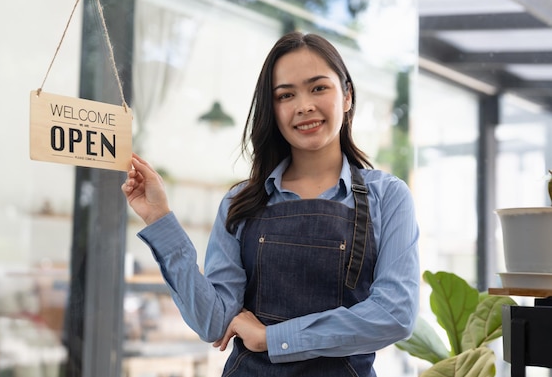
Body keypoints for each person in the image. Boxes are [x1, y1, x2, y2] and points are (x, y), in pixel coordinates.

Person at [121, 31, 420, 376]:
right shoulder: (240, 202)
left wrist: (272, 338)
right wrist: (159, 218)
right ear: (273, 110)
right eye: (286, 95)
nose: (304, 105)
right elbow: (214, 322)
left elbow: (394, 315)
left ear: (347, 95)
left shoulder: (389, 197)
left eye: (318, 88)